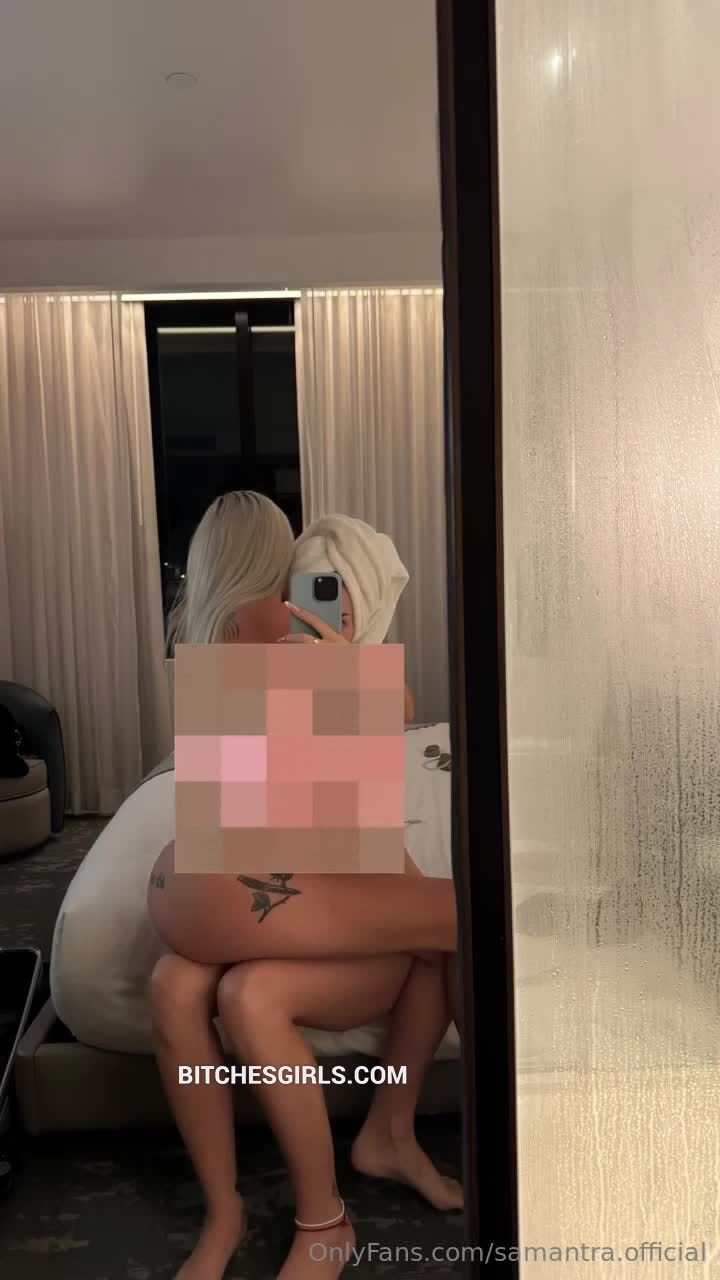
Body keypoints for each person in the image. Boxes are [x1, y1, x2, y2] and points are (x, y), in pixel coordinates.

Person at [148, 493, 460, 1280]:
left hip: (325, 903)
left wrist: (340, 679)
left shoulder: (285, 650)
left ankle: (324, 1206)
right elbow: (264, 819)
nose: (300, 605)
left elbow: (374, 749)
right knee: (176, 985)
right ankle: (242, 1214)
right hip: (286, 892)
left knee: (230, 989)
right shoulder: (241, 661)